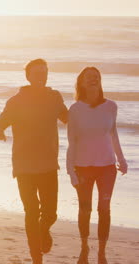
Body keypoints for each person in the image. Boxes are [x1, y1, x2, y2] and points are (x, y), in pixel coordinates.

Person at [0, 59, 68, 264]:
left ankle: (44, 231)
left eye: (44, 72)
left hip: (49, 164)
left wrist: (91, 113)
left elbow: (69, 119)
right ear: (28, 76)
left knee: (50, 214)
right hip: (24, 166)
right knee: (31, 212)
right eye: (37, 73)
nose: (42, 76)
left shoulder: (54, 97)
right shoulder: (16, 101)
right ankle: (36, 258)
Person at [66, 67, 128, 264]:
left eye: (96, 77)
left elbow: (113, 134)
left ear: (100, 82)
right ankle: (84, 246)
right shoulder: (75, 110)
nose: (93, 80)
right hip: (82, 167)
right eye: (89, 77)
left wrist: (122, 159)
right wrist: (70, 171)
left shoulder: (111, 106)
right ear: (81, 82)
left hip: (107, 167)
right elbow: (72, 141)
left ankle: (102, 252)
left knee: (104, 208)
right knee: (85, 209)